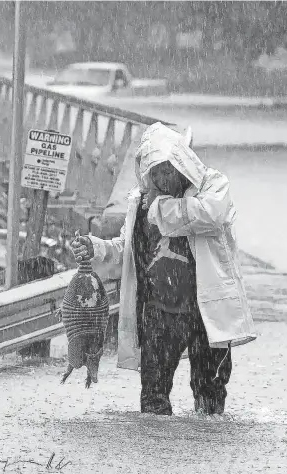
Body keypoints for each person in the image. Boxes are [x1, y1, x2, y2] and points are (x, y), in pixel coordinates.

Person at [71, 122, 256, 416]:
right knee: (153, 398)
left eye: (167, 170)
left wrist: (158, 207)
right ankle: (155, 449)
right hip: (159, 313)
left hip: (204, 313)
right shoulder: (140, 202)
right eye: (155, 172)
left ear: (183, 165)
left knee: (210, 396)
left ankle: (204, 449)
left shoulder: (213, 187)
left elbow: (210, 216)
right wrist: (97, 247)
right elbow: (128, 252)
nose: (163, 178)